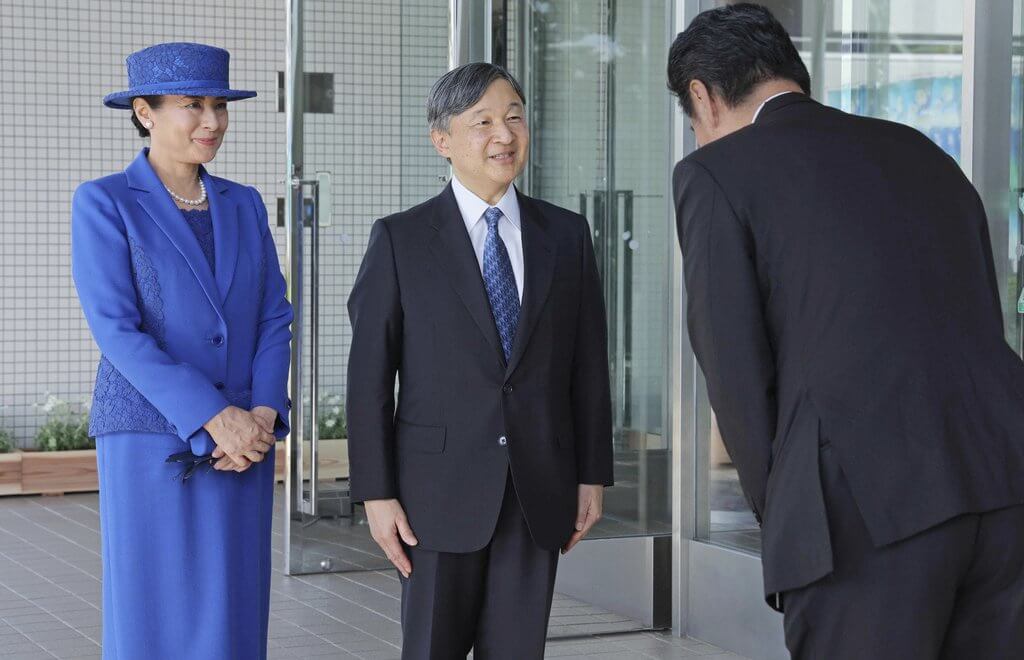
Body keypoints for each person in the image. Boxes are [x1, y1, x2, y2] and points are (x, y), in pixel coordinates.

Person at [668, 5, 1024, 659]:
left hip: (861, 514)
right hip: (1003, 478)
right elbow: (980, 311)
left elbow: (734, 366)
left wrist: (787, 520)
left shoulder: (716, 173)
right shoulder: (920, 151)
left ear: (703, 97)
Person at [346, 62, 614, 659]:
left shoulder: (566, 235)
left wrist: (591, 472)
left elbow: (587, 364)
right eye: (483, 121)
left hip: (537, 488)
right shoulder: (401, 239)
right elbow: (368, 378)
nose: (505, 134)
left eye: (515, 117)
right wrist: (376, 493)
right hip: (433, 500)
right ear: (441, 140)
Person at [72, 42, 292, 660]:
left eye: (219, 105)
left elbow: (275, 314)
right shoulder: (104, 201)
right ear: (144, 111)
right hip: (151, 433)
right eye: (192, 105)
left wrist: (264, 414)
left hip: (245, 438)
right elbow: (117, 331)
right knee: (156, 609)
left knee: (235, 604)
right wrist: (211, 415)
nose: (213, 121)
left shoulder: (243, 202)